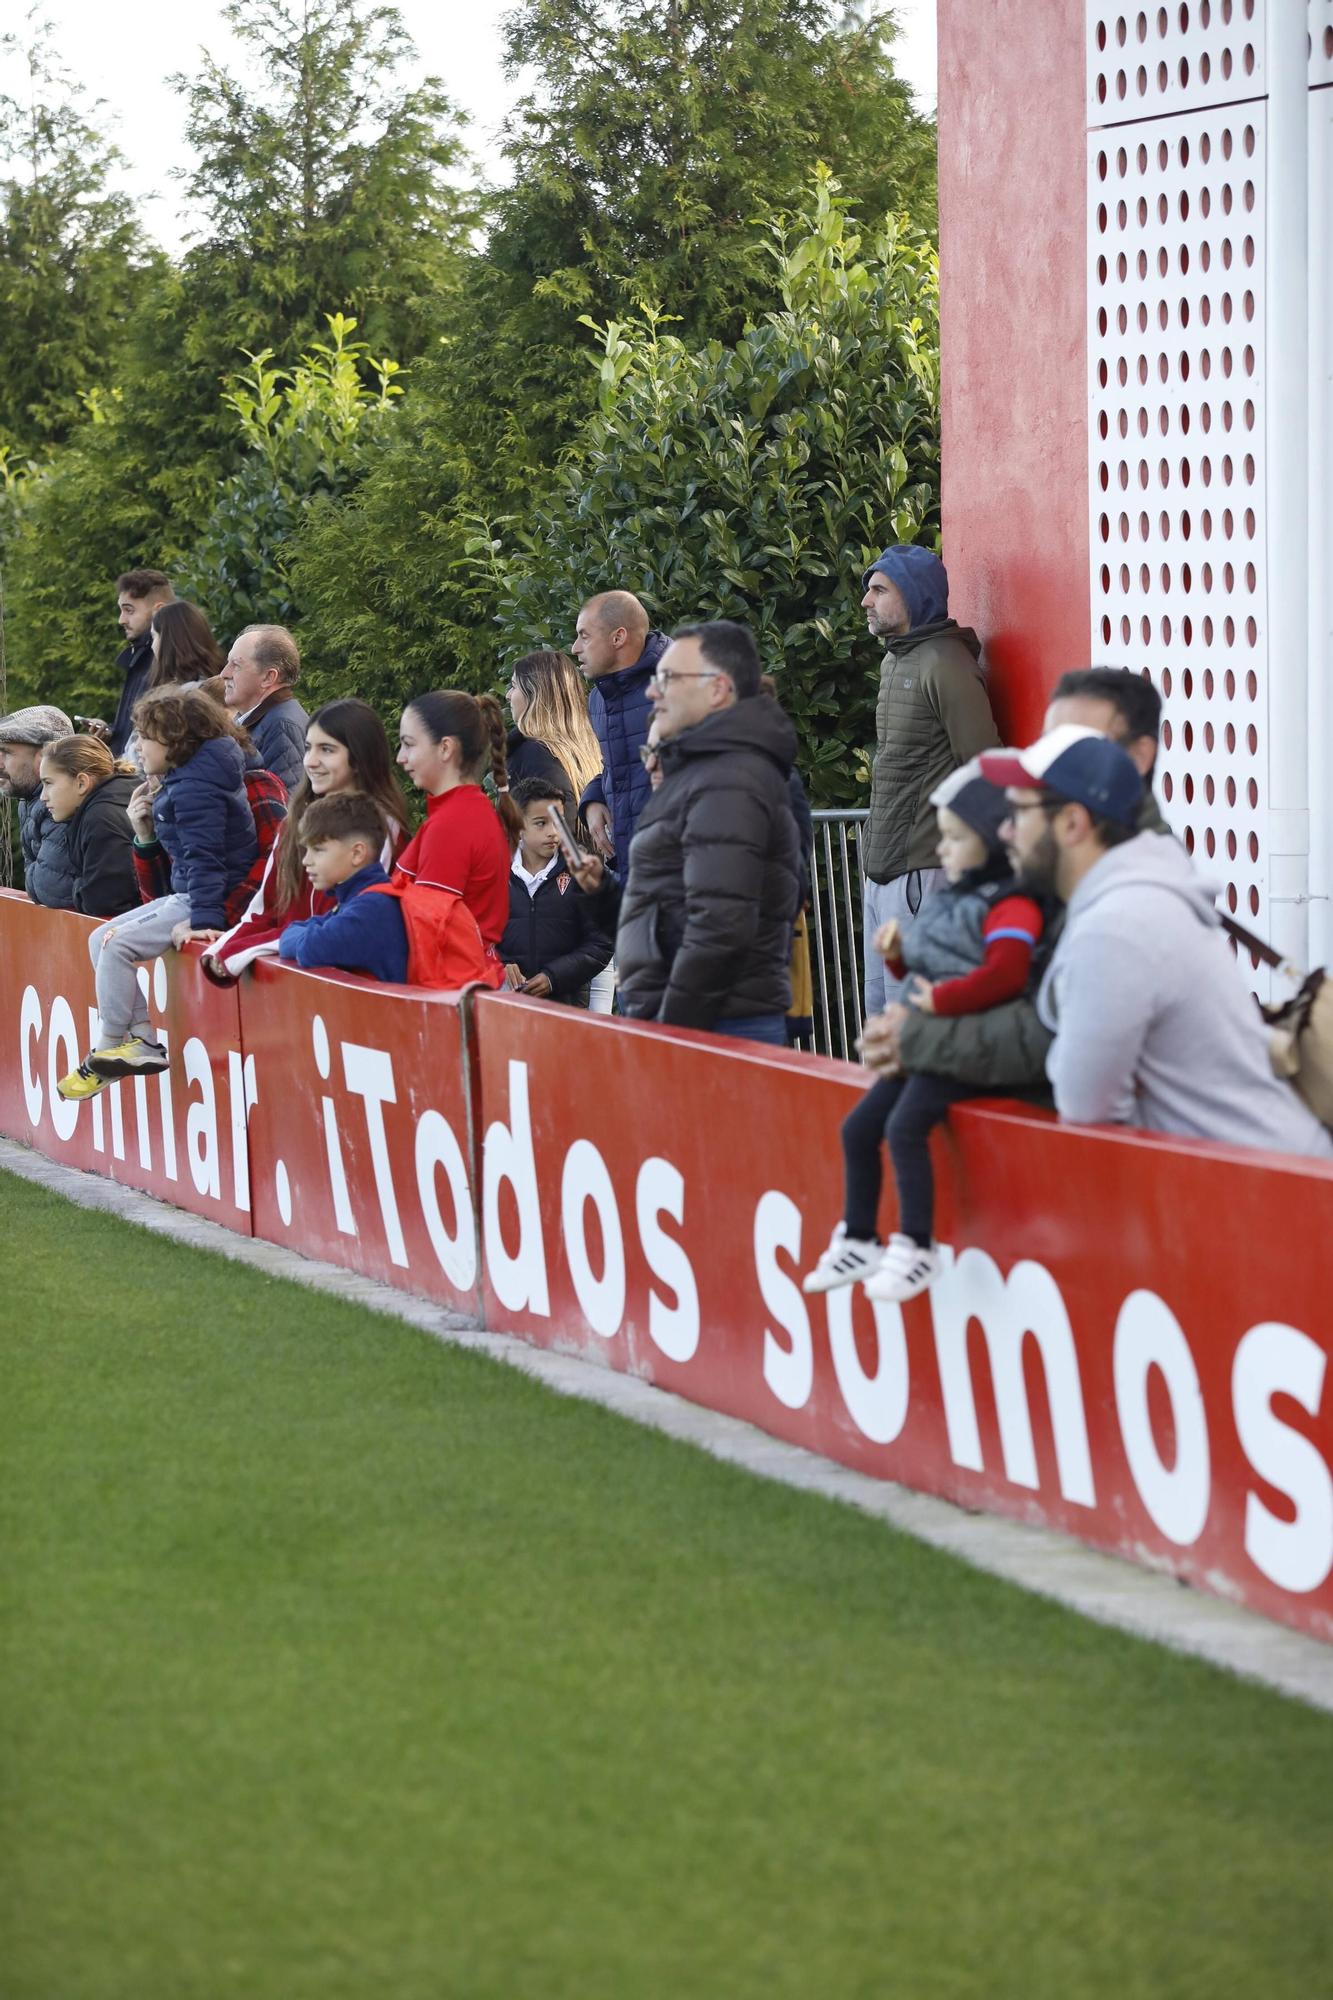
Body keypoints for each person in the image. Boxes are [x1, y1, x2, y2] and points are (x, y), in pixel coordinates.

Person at [981, 725, 1333, 1158]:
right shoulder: (1145, 896)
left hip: (1260, 1192)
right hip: (1270, 1171)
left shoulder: (1114, 928)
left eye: (1018, 813)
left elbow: (1087, 1110)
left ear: (1072, 822)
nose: (1005, 832)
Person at [865, 665, 1173, 1091]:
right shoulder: (1052, 857)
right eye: (1047, 746)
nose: (1051, 765)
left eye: (1078, 745)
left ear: (1139, 757)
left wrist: (917, 1036)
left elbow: (1056, 1033)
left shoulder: (1142, 891)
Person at [803, 763, 1046, 1303]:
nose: (945, 851)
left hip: (960, 1050)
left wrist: (940, 1000)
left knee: (906, 1127)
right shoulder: (956, 896)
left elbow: (1006, 973)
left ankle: (917, 1245)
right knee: (858, 1128)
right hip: (930, 1042)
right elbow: (928, 969)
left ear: (994, 839)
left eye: (956, 840)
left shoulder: (1014, 904)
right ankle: (860, 1235)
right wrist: (897, 958)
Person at [590, 619, 801, 1044]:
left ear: (717, 690)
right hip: (695, 1020)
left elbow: (719, 928)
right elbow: (663, 905)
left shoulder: (730, 778)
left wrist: (671, 1029)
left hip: (712, 1028)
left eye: (667, 678)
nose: (652, 690)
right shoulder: (703, 772)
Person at [57, 689, 258, 1100]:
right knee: (100, 938)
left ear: (174, 739)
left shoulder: (194, 789)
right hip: (187, 892)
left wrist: (204, 923)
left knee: (116, 947)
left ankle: (111, 1045)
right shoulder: (185, 780)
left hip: (200, 900)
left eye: (145, 738)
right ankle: (142, 1040)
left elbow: (206, 860)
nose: (137, 748)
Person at [860, 544, 1000, 1014]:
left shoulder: (946, 662)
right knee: (880, 1026)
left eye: (879, 590)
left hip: (922, 877)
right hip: (881, 874)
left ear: (914, 595)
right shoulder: (895, 659)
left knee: (915, 1027)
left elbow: (984, 768)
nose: (866, 601)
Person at [203, 698, 407, 980]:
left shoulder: (384, 828)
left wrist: (264, 946)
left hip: (357, 996)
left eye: (327, 750)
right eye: (308, 747)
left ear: (361, 757)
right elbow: (262, 912)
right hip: (291, 989)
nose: (311, 761)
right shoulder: (293, 823)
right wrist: (223, 950)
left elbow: (345, 929)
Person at [394, 691, 520, 973]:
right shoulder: (466, 811)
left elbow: (424, 930)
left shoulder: (452, 824)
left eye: (409, 745)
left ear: (445, 748)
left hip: (452, 984)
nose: (400, 757)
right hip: (466, 978)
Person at [571, 590, 669, 865]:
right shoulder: (599, 699)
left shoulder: (681, 688)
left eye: (584, 635)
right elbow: (615, 768)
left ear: (618, 637)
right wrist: (593, 800)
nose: (575, 648)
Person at [500, 777, 614, 1006]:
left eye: (558, 822)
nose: (553, 832)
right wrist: (499, 964)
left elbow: (602, 943)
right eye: (541, 823)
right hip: (509, 1013)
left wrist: (553, 978)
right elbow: (476, 939)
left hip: (568, 1014)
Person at [277, 792, 408, 983]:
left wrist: (308, 934)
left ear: (357, 853)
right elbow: (289, 935)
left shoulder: (371, 909)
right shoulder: (357, 900)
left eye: (318, 850)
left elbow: (308, 947)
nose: (306, 861)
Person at [36, 735, 140, 917]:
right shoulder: (116, 798)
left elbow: (102, 901)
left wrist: (77, 885)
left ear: (82, 783)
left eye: (48, 783)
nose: (43, 796)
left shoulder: (101, 818)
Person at [505, 650, 602, 817]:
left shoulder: (535, 755)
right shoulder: (588, 747)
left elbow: (557, 827)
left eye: (514, 686)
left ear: (535, 694)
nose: (508, 696)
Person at [0, 704, 75, 907]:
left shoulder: (60, 803)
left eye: (6, 752)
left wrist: (33, 872)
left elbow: (51, 890)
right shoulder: (29, 799)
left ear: (45, 755)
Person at [221, 625, 309, 794]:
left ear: (269, 677)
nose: (224, 673)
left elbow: (282, 812)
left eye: (236, 665)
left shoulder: (281, 726)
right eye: (227, 663)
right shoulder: (260, 719)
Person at [97, 569, 174, 756]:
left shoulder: (168, 663)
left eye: (129, 610)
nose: (121, 620)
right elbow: (137, 726)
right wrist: (112, 731)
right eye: (121, 610)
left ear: (159, 610)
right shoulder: (140, 655)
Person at [145, 601, 225, 693]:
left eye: (154, 636)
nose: (152, 645)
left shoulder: (185, 695)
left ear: (168, 640)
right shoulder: (221, 683)